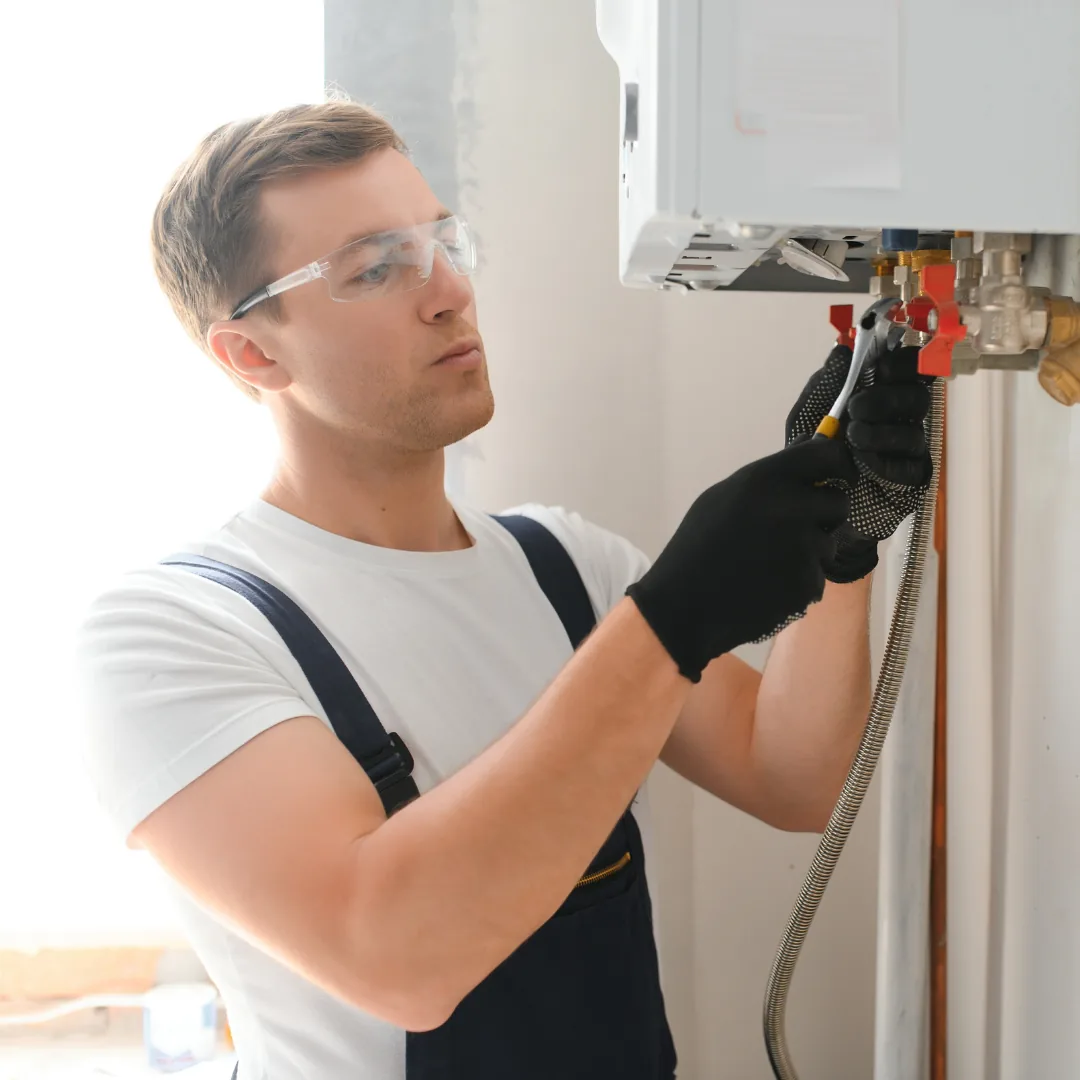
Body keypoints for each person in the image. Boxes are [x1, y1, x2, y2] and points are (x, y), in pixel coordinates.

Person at [76, 101, 932, 1080]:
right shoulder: (167, 637)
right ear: (251, 352)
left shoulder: (563, 568)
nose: (448, 292)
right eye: (375, 268)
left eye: (440, 241)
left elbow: (794, 779)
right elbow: (395, 957)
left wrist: (844, 545)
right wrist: (669, 623)